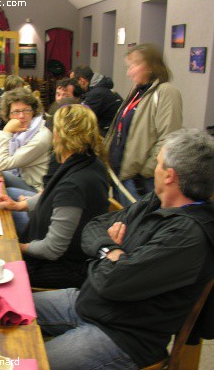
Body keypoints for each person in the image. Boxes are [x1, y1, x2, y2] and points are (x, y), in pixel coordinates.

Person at [33, 128, 214, 369]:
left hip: (122, 336)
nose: (155, 170)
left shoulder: (188, 236)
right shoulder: (156, 202)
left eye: (158, 164)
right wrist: (110, 250)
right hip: (89, 302)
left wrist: (104, 253)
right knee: (6, 306)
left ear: (169, 176)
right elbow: (95, 225)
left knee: (26, 361)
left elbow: (112, 281)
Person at [0, 104, 109, 289]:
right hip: (70, 254)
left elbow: (52, 249)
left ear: (59, 135)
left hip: (64, 267)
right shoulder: (88, 161)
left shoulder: (74, 184)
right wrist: (18, 206)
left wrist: (18, 248)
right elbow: (52, 196)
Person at [105, 44, 183, 205]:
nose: (129, 72)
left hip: (139, 181)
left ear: (150, 67)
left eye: (134, 65)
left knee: (139, 225)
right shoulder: (137, 91)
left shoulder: (166, 92)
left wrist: (145, 171)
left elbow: (169, 138)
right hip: (122, 175)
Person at [0, 88, 52, 193]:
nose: (21, 116)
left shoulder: (40, 137)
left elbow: (1, 164)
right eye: (16, 112)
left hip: (38, 191)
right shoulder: (26, 132)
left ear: (33, 112)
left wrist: (6, 131)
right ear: (9, 115)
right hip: (25, 179)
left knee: (7, 191)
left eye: (26, 110)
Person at [73, 65, 123, 136]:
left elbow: (81, 118)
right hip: (113, 130)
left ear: (82, 80)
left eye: (76, 82)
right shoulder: (101, 87)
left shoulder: (96, 94)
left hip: (109, 134)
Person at [0, 75, 25, 142]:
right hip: (6, 138)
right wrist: (0, 142)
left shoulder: (24, 102)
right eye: (16, 90)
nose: (19, 93)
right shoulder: (0, 102)